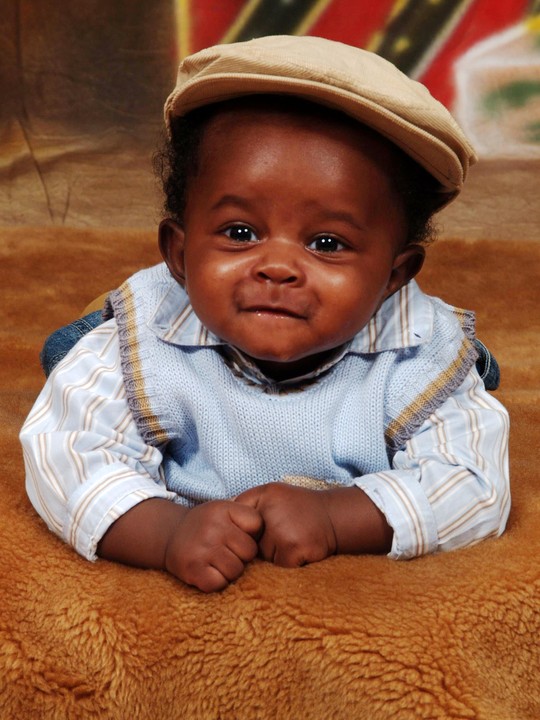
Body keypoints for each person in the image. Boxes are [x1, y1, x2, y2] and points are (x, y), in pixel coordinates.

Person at [20, 35, 510, 593]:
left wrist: (339, 518)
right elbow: (66, 453)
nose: (277, 267)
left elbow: (475, 485)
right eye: (240, 233)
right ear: (179, 253)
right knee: (76, 369)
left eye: (327, 243)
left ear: (394, 277)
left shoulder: (419, 355)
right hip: (154, 410)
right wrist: (165, 531)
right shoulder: (141, 344)